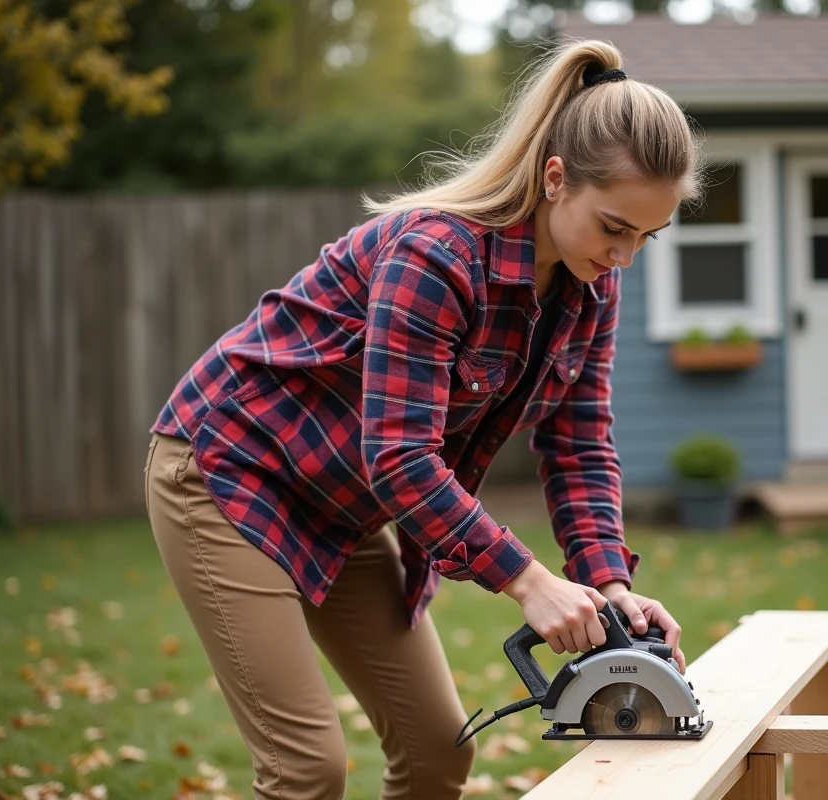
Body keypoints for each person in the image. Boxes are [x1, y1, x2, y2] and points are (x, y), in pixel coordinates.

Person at [143, 37, 706, 800]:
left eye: (646, 235)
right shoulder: (436, 255)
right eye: (614, 227)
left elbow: (578, 447)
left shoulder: (591, 288)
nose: (627, 257)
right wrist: (528, 581)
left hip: (342, 507)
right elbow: (402, 459)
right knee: (308, 768)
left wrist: (606, 582)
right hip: (227, 473)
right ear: (554, 180)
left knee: (439, 755)